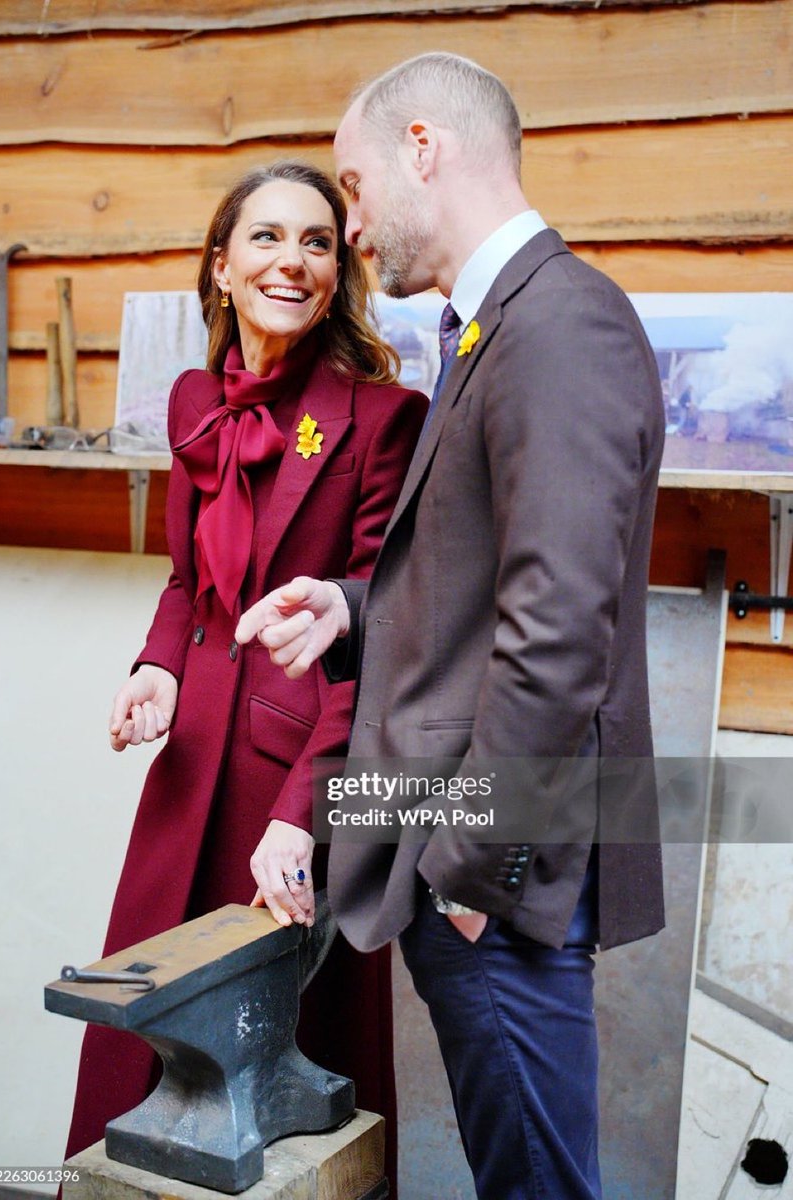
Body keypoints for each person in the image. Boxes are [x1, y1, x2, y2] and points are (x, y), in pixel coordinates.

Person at [236, 54, 666, 1200]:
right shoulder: (492, 329)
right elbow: (481, 589)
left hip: (495, 865)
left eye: (356, 185)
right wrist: (348, 605)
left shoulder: (560, 324)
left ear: (423, 147)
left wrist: (472, 872)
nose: (353, 224)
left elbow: (559, 633)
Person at [62, 159, 427, 1193]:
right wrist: (156, 668)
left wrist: (303, 813)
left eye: (316, 241)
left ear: (335, 274)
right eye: (265, 238)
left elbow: (377, 635)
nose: (292, 261)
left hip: (296, 786)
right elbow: (188, 582)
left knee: (277, 1084)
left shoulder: (377, 419)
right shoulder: (193, 402)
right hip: (186, 776)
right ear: (221, 267)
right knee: (141, 1032)